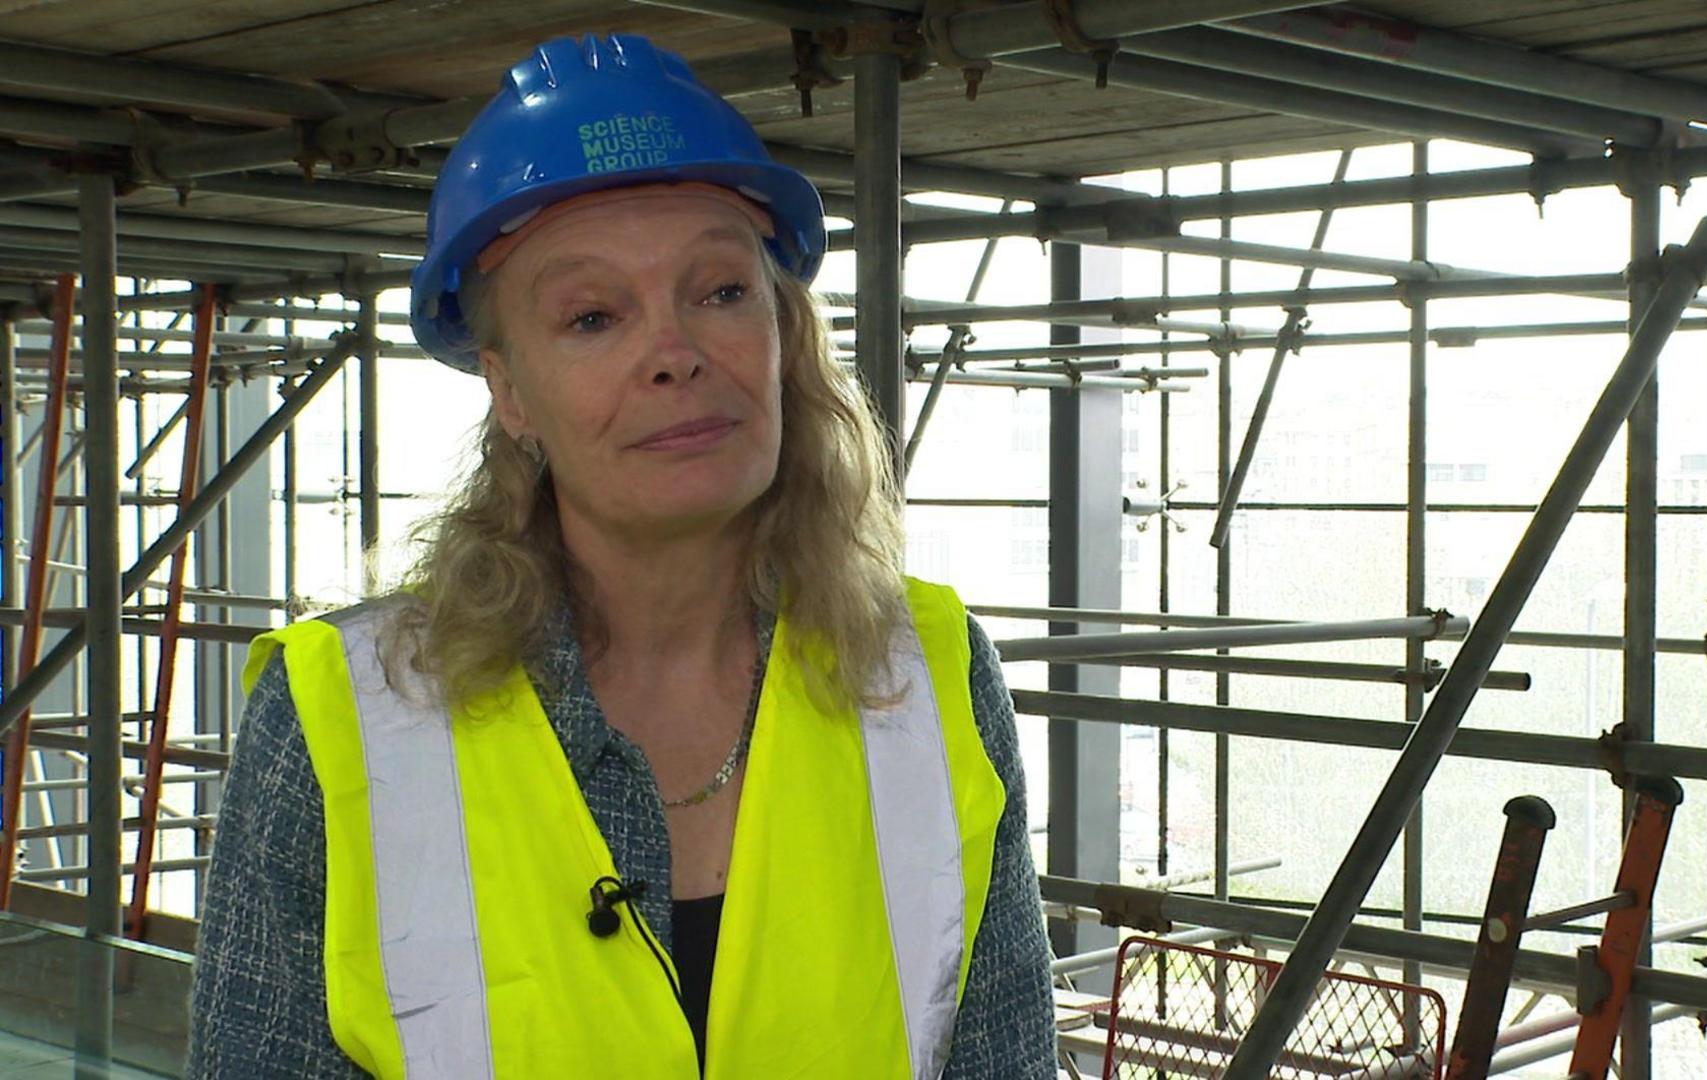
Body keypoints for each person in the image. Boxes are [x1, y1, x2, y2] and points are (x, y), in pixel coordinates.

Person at [187, 32, 1058, 1079]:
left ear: (784, 337)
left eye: (721, 292)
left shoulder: (928, 679)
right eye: (594, 315)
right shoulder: (347, 720)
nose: (675, 354)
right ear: (510, 393)